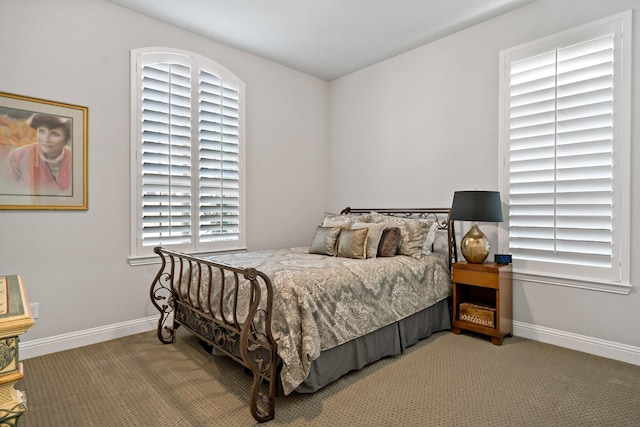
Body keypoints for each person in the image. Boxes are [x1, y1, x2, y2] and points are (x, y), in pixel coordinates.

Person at [2, 113, 72, 195]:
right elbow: (8, 192)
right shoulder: (17, 157)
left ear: (67, 140)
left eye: (54, 134)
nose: (46, 139)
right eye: (42, 131)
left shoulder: (75, 158)